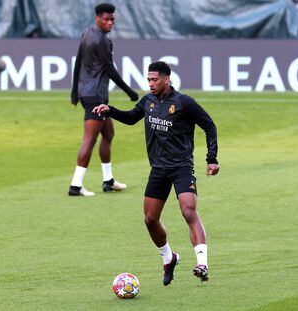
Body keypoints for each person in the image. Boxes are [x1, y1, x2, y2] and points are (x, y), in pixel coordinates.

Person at [93, 61, 219, 285]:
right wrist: (109, 110)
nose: (150, 83)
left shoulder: (184, 103)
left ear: (166, 79)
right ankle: (169, 259)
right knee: (150, 219)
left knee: (189, 211)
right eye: (148, 79)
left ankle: (202, 264)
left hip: (181, 167)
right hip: (158, 170)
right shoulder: (148, 101)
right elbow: (132, 117)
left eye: (154, 80)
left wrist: (212, 159)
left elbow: (209, 125)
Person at [68, 3, 139, 196]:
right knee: (89, 139)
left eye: (112, 20)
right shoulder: (102, 41)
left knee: (108, 134)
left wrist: (75, 92)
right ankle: (75, 185)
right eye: (106, 19)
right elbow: (110, 70)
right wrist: (130, 92)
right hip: (96, 96)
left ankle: (108, 180)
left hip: (87, 93)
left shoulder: (86, 33)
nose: (110, 23)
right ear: (97, 18)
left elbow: (78, 62)